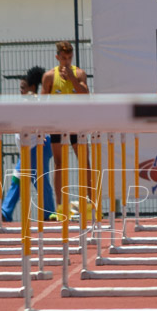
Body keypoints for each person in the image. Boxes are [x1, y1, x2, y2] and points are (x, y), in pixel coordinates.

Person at [1, 66, 56, 221]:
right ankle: (7, 211)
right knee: (19, 178)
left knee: (38, 178)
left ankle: (49, 211)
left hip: (38, 146)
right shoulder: (24, 102)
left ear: (32, 87)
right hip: (27, 147)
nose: (21, 91)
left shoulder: (36, 101)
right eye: (20, 88)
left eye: (23, 88)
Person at [41, 41, 91, 211]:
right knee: (59, 164)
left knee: (84, 162)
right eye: (63, 58)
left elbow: (86, 94)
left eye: (69, 58)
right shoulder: (49, 76)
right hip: (58, 125)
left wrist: (72, 78)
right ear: (57, 58)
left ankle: (91, 203)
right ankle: (60, 206)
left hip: (77, 123)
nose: (67, 61)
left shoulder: (79, 73)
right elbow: (42, 101)